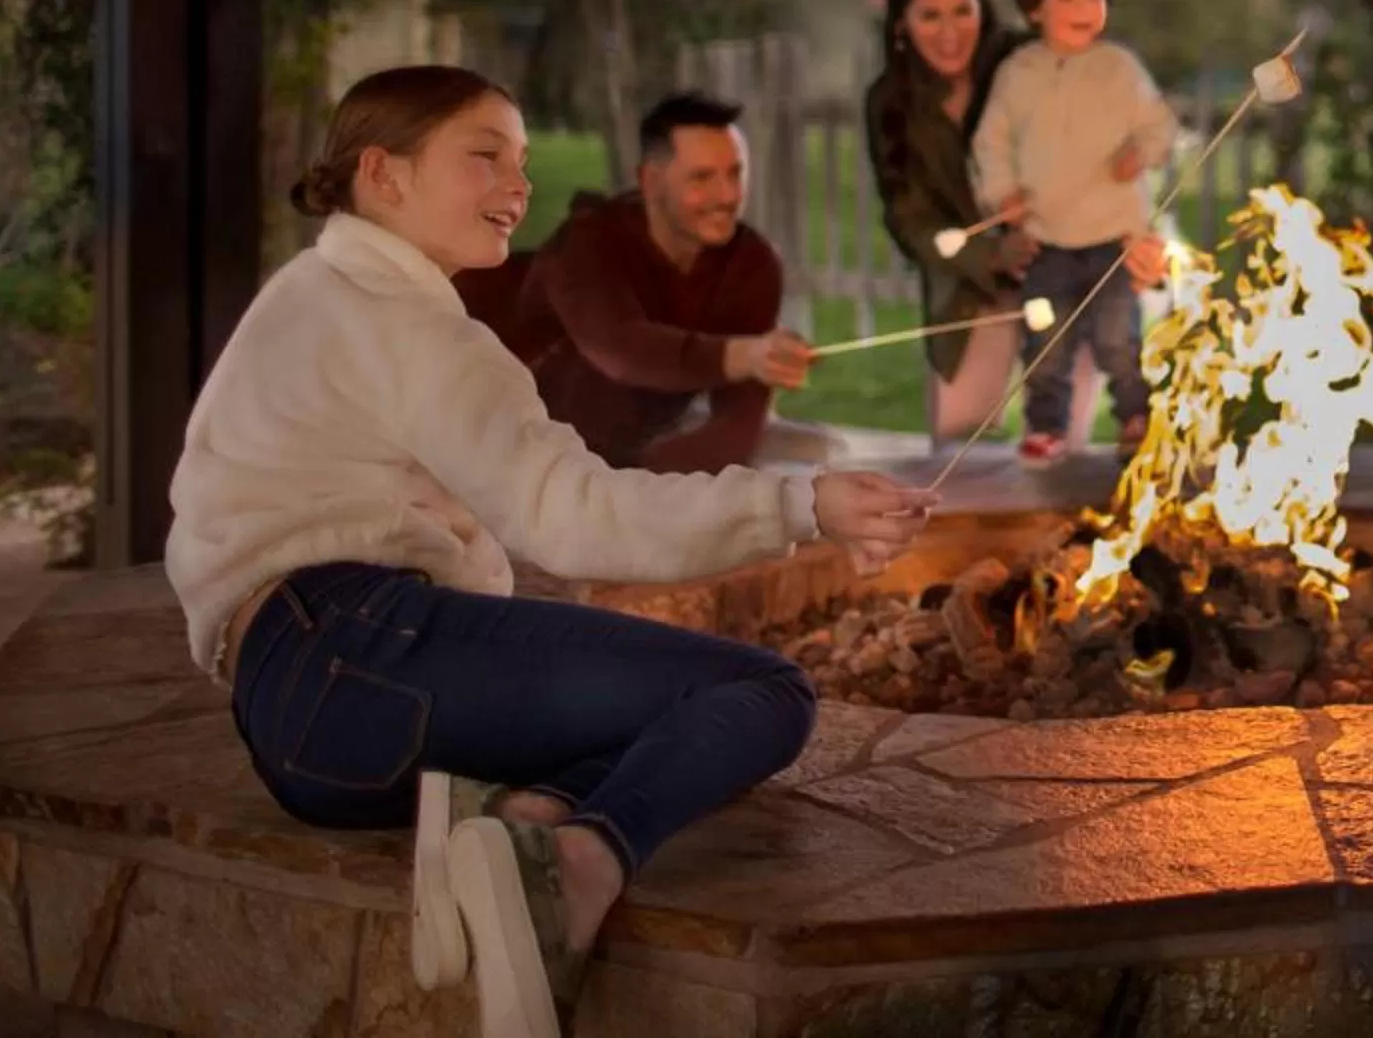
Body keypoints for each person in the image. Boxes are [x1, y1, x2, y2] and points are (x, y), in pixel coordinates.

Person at [165, 65, 933, 1038]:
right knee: (761, 692)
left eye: (523, 161)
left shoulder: (308, 292)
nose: (519, 184)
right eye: (484, 155)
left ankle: (513, 829)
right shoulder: (405, 323)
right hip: (358, 649)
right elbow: (569, 515)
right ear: (383, 173)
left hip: (298, 726)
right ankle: (579, 867)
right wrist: (801, 501)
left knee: (650, 715)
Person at [505, 91, 813, 474]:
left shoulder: (751, 264)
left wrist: (655, 485)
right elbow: (621, 350)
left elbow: (738, 422)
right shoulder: (588, 244)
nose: (727, 196)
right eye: (702, 178)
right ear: (651, 180)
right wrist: (743, 356)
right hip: (509, 451)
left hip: (618, 466)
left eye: (735, 174)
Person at [973, 0, 1174, 466]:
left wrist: (1140, 151)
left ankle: (1136, 416)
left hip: (1114, 237)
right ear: (1034, 8)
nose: (1085, 8)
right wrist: (1003, 193)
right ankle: (1046, 426)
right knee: (1046, 341)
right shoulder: (1017, 74)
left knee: (1118, 338)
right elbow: (991, 143)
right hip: (1047, 239)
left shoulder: (1120, 69)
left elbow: (1159, 126)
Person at [860, 0, 1030, 450]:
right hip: (968, 288)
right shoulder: (890, 103)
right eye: (930, 16)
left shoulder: (1028, 64)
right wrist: (990, 255)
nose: (950, 33)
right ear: (901, 24)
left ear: (982, 6)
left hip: (1066, 270)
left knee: (1064, 449)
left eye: (962, 11)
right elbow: (909, 219)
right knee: (958, 455)